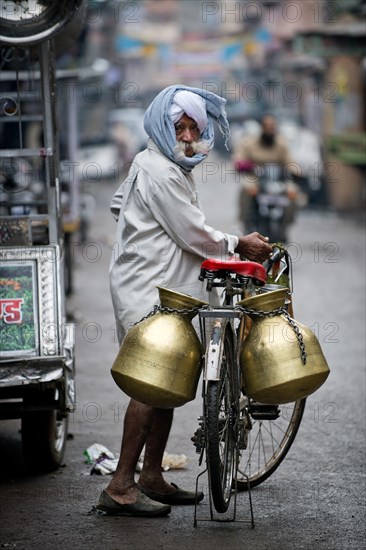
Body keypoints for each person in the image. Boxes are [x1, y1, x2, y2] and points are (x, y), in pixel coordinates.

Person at [97, 85, 272, 518]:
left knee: (168, 379)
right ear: (163, 125)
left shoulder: (158, 163)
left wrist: (150, 234)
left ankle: (152, 475)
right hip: (147, 287)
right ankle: (120, 485)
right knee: (150, 380)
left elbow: (121, 206)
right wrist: (237, 243)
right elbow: (191, 231)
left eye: (195, 127)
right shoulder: (160, 170)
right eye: (181, 126)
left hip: (162, 284)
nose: (189, 135)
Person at [232, 114, 302, 235]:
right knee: (246, 189)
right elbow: (239, 158)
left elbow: (290, 162)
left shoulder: (281, 145)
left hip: (278, 179)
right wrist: (245, 164)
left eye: (272, 126)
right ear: (262, 128)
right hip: (256, 177)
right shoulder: (250, 143)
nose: (270, 129)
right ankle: (244, 222)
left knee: (293, 192)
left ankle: (285, 224)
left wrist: (297, 172)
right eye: (267, 126)